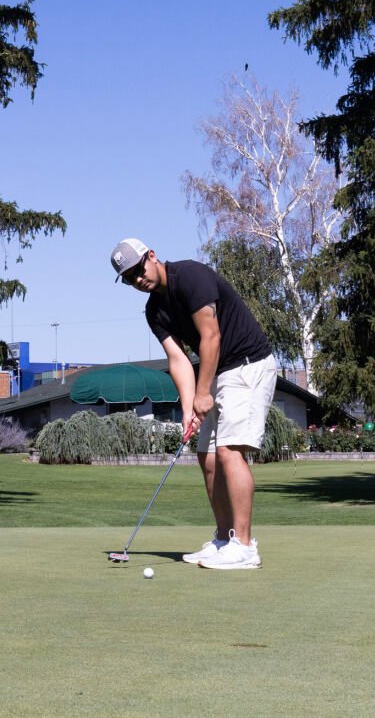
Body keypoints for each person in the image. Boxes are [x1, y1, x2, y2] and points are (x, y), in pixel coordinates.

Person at [110, 238, 280, 571]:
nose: (137, 279)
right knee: (208, 455)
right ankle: (223, 539)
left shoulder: (191, 276)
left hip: (248, 364)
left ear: (152, 256)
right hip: (218, 372)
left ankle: (244, 547)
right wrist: (189, 408)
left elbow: (211, 336)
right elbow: (178, 359)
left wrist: (203, 393)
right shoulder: (153, 312)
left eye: (138, 269)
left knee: (230, 450)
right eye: (129, 278)